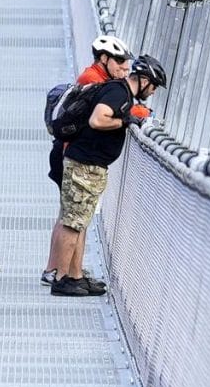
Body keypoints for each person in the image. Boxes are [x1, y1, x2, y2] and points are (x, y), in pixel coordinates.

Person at [50, 53, 167, 298]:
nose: (154, 91)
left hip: (88, 164)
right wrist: (126, 120)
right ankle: (61, 279)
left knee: (79, 222)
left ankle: (75, 276)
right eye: (154, 86)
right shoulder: (118, 93)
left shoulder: (118, 91)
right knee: (73, 223)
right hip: (85, 165)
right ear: (144, 80)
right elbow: (97, 119)